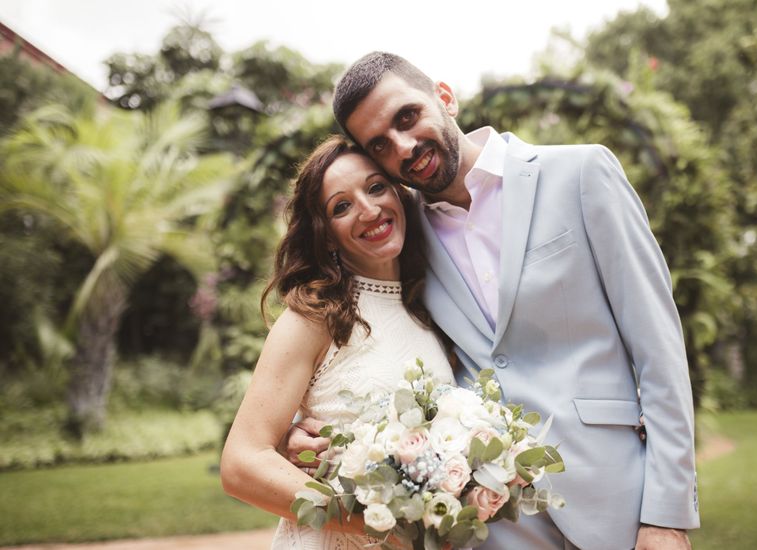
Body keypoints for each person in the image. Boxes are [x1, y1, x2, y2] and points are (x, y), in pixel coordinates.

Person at [288, 51, 700, 550]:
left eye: (407, 117)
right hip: (493, 525)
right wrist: (303, 428)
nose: (403, 146)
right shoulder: (401, 233)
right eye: (381, 144)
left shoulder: (582, 173)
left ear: (445, 97)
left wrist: (666, 516)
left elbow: (660, 353)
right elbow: (368, 323)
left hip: (616, 496)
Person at [220, 135, 455, 549]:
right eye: (341, 206)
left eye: (376, 187)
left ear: (399, 194)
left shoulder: (429, 306)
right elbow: (242, 464)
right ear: (326, 234)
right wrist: (377, 521)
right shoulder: (313, 318)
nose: (368, 210)